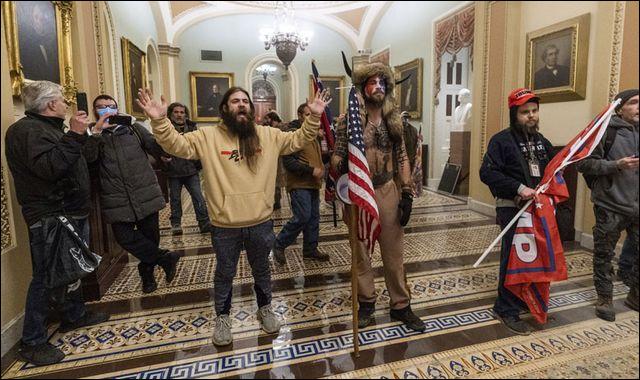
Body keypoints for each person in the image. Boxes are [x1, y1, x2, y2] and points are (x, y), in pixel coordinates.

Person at [136, 86, 332, 346]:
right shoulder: (206, 137)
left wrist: (315, 116)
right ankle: (223, 317)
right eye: (235, 101)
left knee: (262, 269)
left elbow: (298, 139)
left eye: (245, 102)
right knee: (225, 272)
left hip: (260, 222)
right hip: (224, 225)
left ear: (251, 109)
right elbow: (176, 145)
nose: (241, 105)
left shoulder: (268, 135)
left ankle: (265, 308)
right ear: (225, 108)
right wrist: (159, 120)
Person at [5, 81, 110, 365]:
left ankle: (74, 316)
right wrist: (75, 136)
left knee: (71, 271)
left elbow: (81, 160)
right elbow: (49, 168)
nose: (66, 104)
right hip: (51, 216)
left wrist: (92, 135)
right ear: (51, 104)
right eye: (63, 100)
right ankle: (33, 340)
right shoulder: (26, 130)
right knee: (46, 278)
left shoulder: (52, 129)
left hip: (70, 212)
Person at [331, 62, 426, 333]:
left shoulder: (394, 121)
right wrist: (342, 161)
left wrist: (406, 193)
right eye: (373, 83)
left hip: (387, 190)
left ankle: (401, 306)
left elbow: (403, 158)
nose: (378, 87)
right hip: (359, 193)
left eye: (382, 83)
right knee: (361, 253)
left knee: (394, 254)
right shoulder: (346, 122)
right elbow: (337, 159)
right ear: (362, 88)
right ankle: (367, 303)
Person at [84, 94, 181, 294]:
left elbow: (154, 146)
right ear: (95, 112)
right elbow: (89, 160)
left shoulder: (133, 129)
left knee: (150, 238)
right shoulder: (91, 134)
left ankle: (147, 277)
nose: (106, 110)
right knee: (125, 237)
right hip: (115, 196)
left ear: (117, 109)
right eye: (101, 107)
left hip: (144, 191)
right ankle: (165, 258)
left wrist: (166, 154)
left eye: (110, 106)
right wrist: (96, 134)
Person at [479, 88, 555, 335]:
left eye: (534, 111)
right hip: (511, 208)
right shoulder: (500, 141)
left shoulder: (542, 142)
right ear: (514, 114)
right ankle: (505, 307)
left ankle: (525, 297)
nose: (531, 116)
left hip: (537, 211)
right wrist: (519, 188)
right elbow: (487, 173)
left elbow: (553, 172)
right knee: (513, 259)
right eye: (525, 112)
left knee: (534, 257)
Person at [577, 89, 639, 319]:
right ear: (620, 108)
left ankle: (635, 295)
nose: (638, 107)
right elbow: (583, 164)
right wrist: (617, 165)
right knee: (604, 254)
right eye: (634, 103)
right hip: (611, 205)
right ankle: (604, 299)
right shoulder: (605, 131)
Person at [272, 103, 330, 264]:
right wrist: (312, 170)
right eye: (307, 114)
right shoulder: (293, 134)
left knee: (313, 218)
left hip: (313, 183)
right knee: (303, 216)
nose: (312, 118)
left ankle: (310, 250)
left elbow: (317, 158)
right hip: (299, 184)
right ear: (300, 115)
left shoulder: (314, 136)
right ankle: (279, 243)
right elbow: (289, 162)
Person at [161, 102, 212, 235]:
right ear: (171, 114)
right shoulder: (167, 128)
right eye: (176, 112)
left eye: (182, 112)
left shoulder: (192, 127)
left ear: (185, 114)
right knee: (175, 199)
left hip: (190, 169)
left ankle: (204, 222)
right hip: (173, 171)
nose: (179, 115)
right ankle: (176, 224)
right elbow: (159, 145)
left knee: (198, 197)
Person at [263, 111, 286, 209]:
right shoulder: (269, 128)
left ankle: (276, 201)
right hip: (272, 156)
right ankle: (274, 201)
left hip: (279, 158)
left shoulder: (281, 128)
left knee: (276, 180)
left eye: (267, 118)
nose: (266, 121)